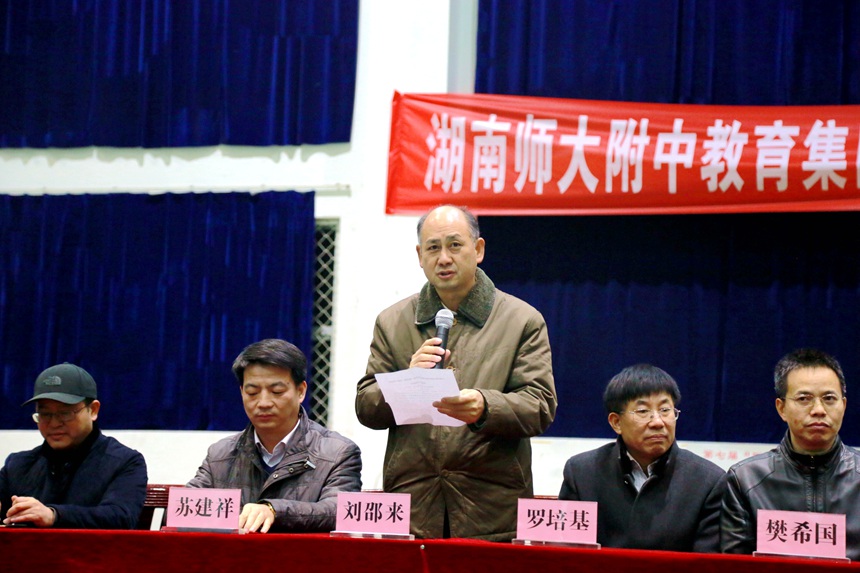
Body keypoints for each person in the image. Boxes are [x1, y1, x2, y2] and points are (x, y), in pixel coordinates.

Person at [355, 205, 557, 541]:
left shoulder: (522, 320)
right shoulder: (392, 322)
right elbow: (366, 407)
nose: (444, 258)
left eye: (454, 245)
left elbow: (540, 406)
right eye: (433, 248)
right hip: (413, 506)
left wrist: (485, 406)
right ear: (420, 256)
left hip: (491, 508)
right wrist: (407, 380)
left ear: (478, 250)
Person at [187, 338, 362, 533]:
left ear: (301, 391)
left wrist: (273, 510)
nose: (263, 402)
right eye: (252, 392)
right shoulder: (220, 454)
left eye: (276, 391)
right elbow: (184, 509)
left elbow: (339, 511)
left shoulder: (338, 452)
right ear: (242, 392)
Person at [558, 364, 726, 551]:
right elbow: (568, 554)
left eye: (665, 410)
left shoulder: (708, 481)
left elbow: (707, 562)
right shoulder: (582, 473)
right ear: (616, 422)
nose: (657, 422)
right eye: (643, 411)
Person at [721, 348, 860, 558]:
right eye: (804, 399)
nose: (819, 410)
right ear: (781, 408)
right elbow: (735, 564)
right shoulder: (746, 480)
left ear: (844, 405)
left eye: (829, 398)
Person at [0, 362, 147, 528]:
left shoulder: (124, 462)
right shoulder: (18, 465)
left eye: (65, 413)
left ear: (93, 410)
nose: (54, 423)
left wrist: (54, 515)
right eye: (45, 414)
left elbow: (121, 517)